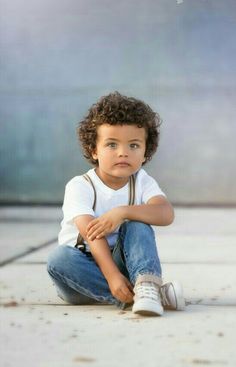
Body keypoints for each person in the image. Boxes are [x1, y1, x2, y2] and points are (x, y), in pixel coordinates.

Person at [47, 91, 185, 316]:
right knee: (58, 259)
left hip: (126, 266)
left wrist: (123, 212)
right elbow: (92, 234)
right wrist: (112, 277)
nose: (123, 153)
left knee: (138, 223)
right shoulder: (80, 185)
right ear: (94, 150)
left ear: (145, 152)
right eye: (111, 145)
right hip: (82, 274)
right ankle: (152, 296)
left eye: (133, 146)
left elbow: (166, 213)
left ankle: (146, 286)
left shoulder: (141, 181)